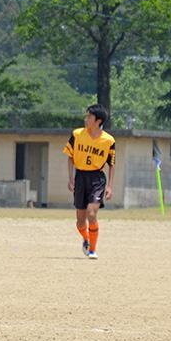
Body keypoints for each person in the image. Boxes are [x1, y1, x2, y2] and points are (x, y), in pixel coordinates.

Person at [63, 104, 116, 259]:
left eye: (89, 117)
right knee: (80, 222)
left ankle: (92, 250)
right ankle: (86, 240)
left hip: (97, 179)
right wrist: (70, 178)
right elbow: (70, 156)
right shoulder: (77, 134)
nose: (86, 119)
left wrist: (110, 186)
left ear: (98, 121)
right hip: (80, 177)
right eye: (86, 116)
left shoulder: (108, 140)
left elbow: (111, 163)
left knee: (91, 213)